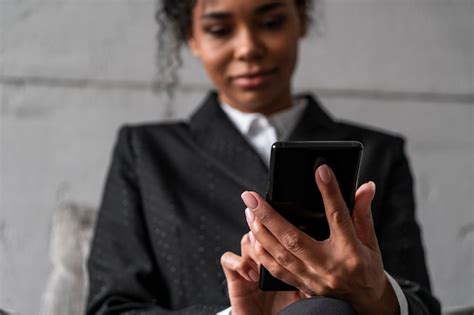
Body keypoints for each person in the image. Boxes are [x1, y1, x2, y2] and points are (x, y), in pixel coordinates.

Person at [86, 0, 441, 314]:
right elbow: (111, 306)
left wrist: (374, 293)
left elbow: (420, 303)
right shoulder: (146, 152)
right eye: (220, 30)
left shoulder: (377, 153)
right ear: (191, 36)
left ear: (300, 18)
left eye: (270, 23)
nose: (248, 48)